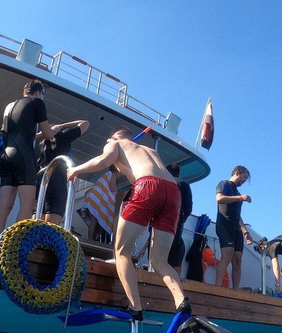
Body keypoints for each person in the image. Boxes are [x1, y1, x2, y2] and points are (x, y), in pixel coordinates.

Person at [67, 126, 190, 318]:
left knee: (121, 251)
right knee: (159, 260)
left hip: (147, 185)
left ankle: (135, 307)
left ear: (113, 137)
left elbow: (103, 161)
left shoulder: (115, 143)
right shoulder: (150, 150)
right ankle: (181, 301)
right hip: (173, 192)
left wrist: (76, 170)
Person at [0, 79, 56, 237]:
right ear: (39, 92)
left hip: (6, 155)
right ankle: (14, 244)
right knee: (27, 206)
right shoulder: (37, 102)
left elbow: (16, 133)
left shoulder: (10, 106)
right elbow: (48, 134)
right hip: (23, 155)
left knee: (4, 206)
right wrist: (54, 131)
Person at [35, 120, 89, 224]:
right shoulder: (62, 136)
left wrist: (45, 131)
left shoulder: (43, 143)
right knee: (51, 224)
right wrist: (62, 126)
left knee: (37, 214)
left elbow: (30, 136)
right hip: (57, 179)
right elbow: (85, 123)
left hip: (42, 179)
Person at [214, 166, 252, 288]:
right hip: (224, 224)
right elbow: (219, 199)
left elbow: (238, 216)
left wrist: (246, 232)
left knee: (237, 259)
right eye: (244, 177)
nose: (245, 180)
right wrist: (240, 198)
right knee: (228, 255)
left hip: (236, 227)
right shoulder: (224, 184)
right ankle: (218, 288)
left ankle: (235, 291)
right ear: (237, 172)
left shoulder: (237, 193)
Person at [165, 164, 193, 275]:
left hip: (158, 221)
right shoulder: (184, 184)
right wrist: (182, 219)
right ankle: (174, 280)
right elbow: (189, 207)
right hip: (176, 222)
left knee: (158, 251)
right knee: (175, 250)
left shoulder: (163, 181)